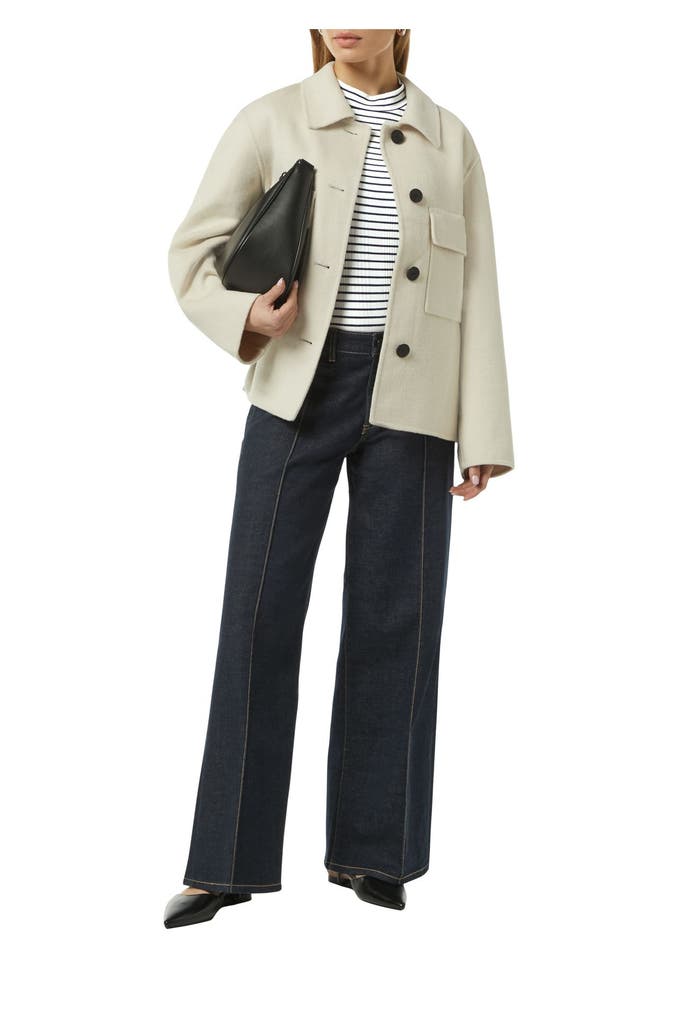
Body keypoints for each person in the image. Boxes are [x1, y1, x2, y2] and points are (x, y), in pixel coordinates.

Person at [163, 28, 515, 928]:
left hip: (418, 399)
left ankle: (374, 851)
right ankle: (225, 862)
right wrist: (248, 314)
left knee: (397, 619)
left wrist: (483, 426)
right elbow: (192, 253)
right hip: (296, 391)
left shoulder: (450, 139)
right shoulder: (270, 119)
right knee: (257, 613)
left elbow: (478, 289)